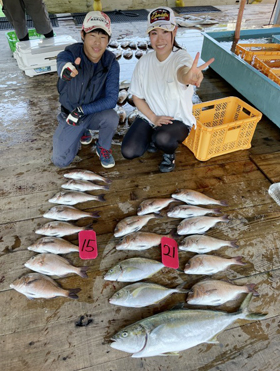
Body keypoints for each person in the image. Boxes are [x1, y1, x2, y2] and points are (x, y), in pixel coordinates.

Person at [121, 6, 214, 173]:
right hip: (151, 117)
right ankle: (153, 136)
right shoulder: (144, 62)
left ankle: (169, 155)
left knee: (162, 138)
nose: (159, 39)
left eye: (165, 31)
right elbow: (137, 97)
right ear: (149, 35)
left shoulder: (181, 56)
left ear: (175, 31)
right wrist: (154, 118)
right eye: (154, 33)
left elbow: (183, 72)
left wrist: (190, 76)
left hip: (176, 121)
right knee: (129, 151)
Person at [52, 11, 120, 169]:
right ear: (82, 35)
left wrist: (82, 110)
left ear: (108, 40)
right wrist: (66, 69)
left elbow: (111, 99)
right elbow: (62, 60)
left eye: (103, 38)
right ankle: (80, 133)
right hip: (70, 114)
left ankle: (102, 147)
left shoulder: (111, 63)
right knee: (60, 161)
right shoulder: (71, 54)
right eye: (92, 36)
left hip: (91, 113)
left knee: (112, 117)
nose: (97, 43)